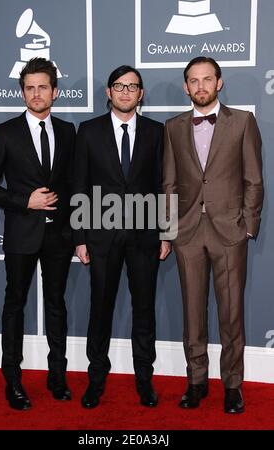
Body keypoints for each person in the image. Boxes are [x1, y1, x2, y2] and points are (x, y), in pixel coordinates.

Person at [163, 57, 263, 413]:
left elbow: (254, 179)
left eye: (207, 79)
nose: (201, 86)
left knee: (231, 314)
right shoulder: (173, 127)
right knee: (193, 312)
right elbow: (169, 184)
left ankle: (233, 385)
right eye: (194, 80)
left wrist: (247, 225)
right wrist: (168, 230)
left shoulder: (243, 123)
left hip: (228, 233)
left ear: (219, 83)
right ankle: (196, 381)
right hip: (187, 233)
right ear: (187, 86)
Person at [0, 58, 76, 410]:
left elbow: (72, 184)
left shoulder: (67, 132)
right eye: (30, 88)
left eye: (43, 87)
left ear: (54, 91)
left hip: (59, 238)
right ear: (23, 93)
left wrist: (75, 231)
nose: (36, 94)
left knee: (56, 305)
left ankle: (58, 376)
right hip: (21, 233)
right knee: (14, 304)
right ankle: (13, 381)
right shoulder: (4, 133)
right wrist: (25, 201)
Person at [73, 65, 171, 408]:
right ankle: (95, 379)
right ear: (108, 92)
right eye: (119, 85)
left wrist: (167, 233)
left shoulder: (157, 132)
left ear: (140, 94)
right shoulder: (88, 131)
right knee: (99, 310)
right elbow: (79, 185)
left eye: (132, 86)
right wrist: (80, 238)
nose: (126, 91)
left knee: (144, 310)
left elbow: (164, 185)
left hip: (145, 236)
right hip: (101, 235)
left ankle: (144, 379)